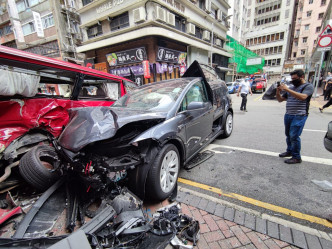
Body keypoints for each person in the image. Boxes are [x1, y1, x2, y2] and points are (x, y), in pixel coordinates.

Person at [276, 69, 314, 164]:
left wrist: (287, 89)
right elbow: (280, 99)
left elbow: (303, 97)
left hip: (300, 115)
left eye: (295, 78)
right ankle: (290, 151)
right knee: (288, 135)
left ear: (302, 77)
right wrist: (278, 91)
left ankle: (296, 157)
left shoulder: (308, 86)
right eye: (292, 79)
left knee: (294, 135)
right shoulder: (292, 88)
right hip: (288, 114)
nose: (293, 80)